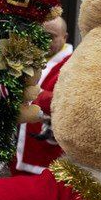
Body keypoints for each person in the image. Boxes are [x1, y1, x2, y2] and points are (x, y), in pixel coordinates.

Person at [13, 11, 71, 174]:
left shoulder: (73, 65)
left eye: (50, 36)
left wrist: (35, 94)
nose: (43, 41)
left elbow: (71, 102)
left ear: (65, 37)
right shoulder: (25, 58)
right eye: (39, 35)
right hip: (17, 150)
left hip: (47, 153)